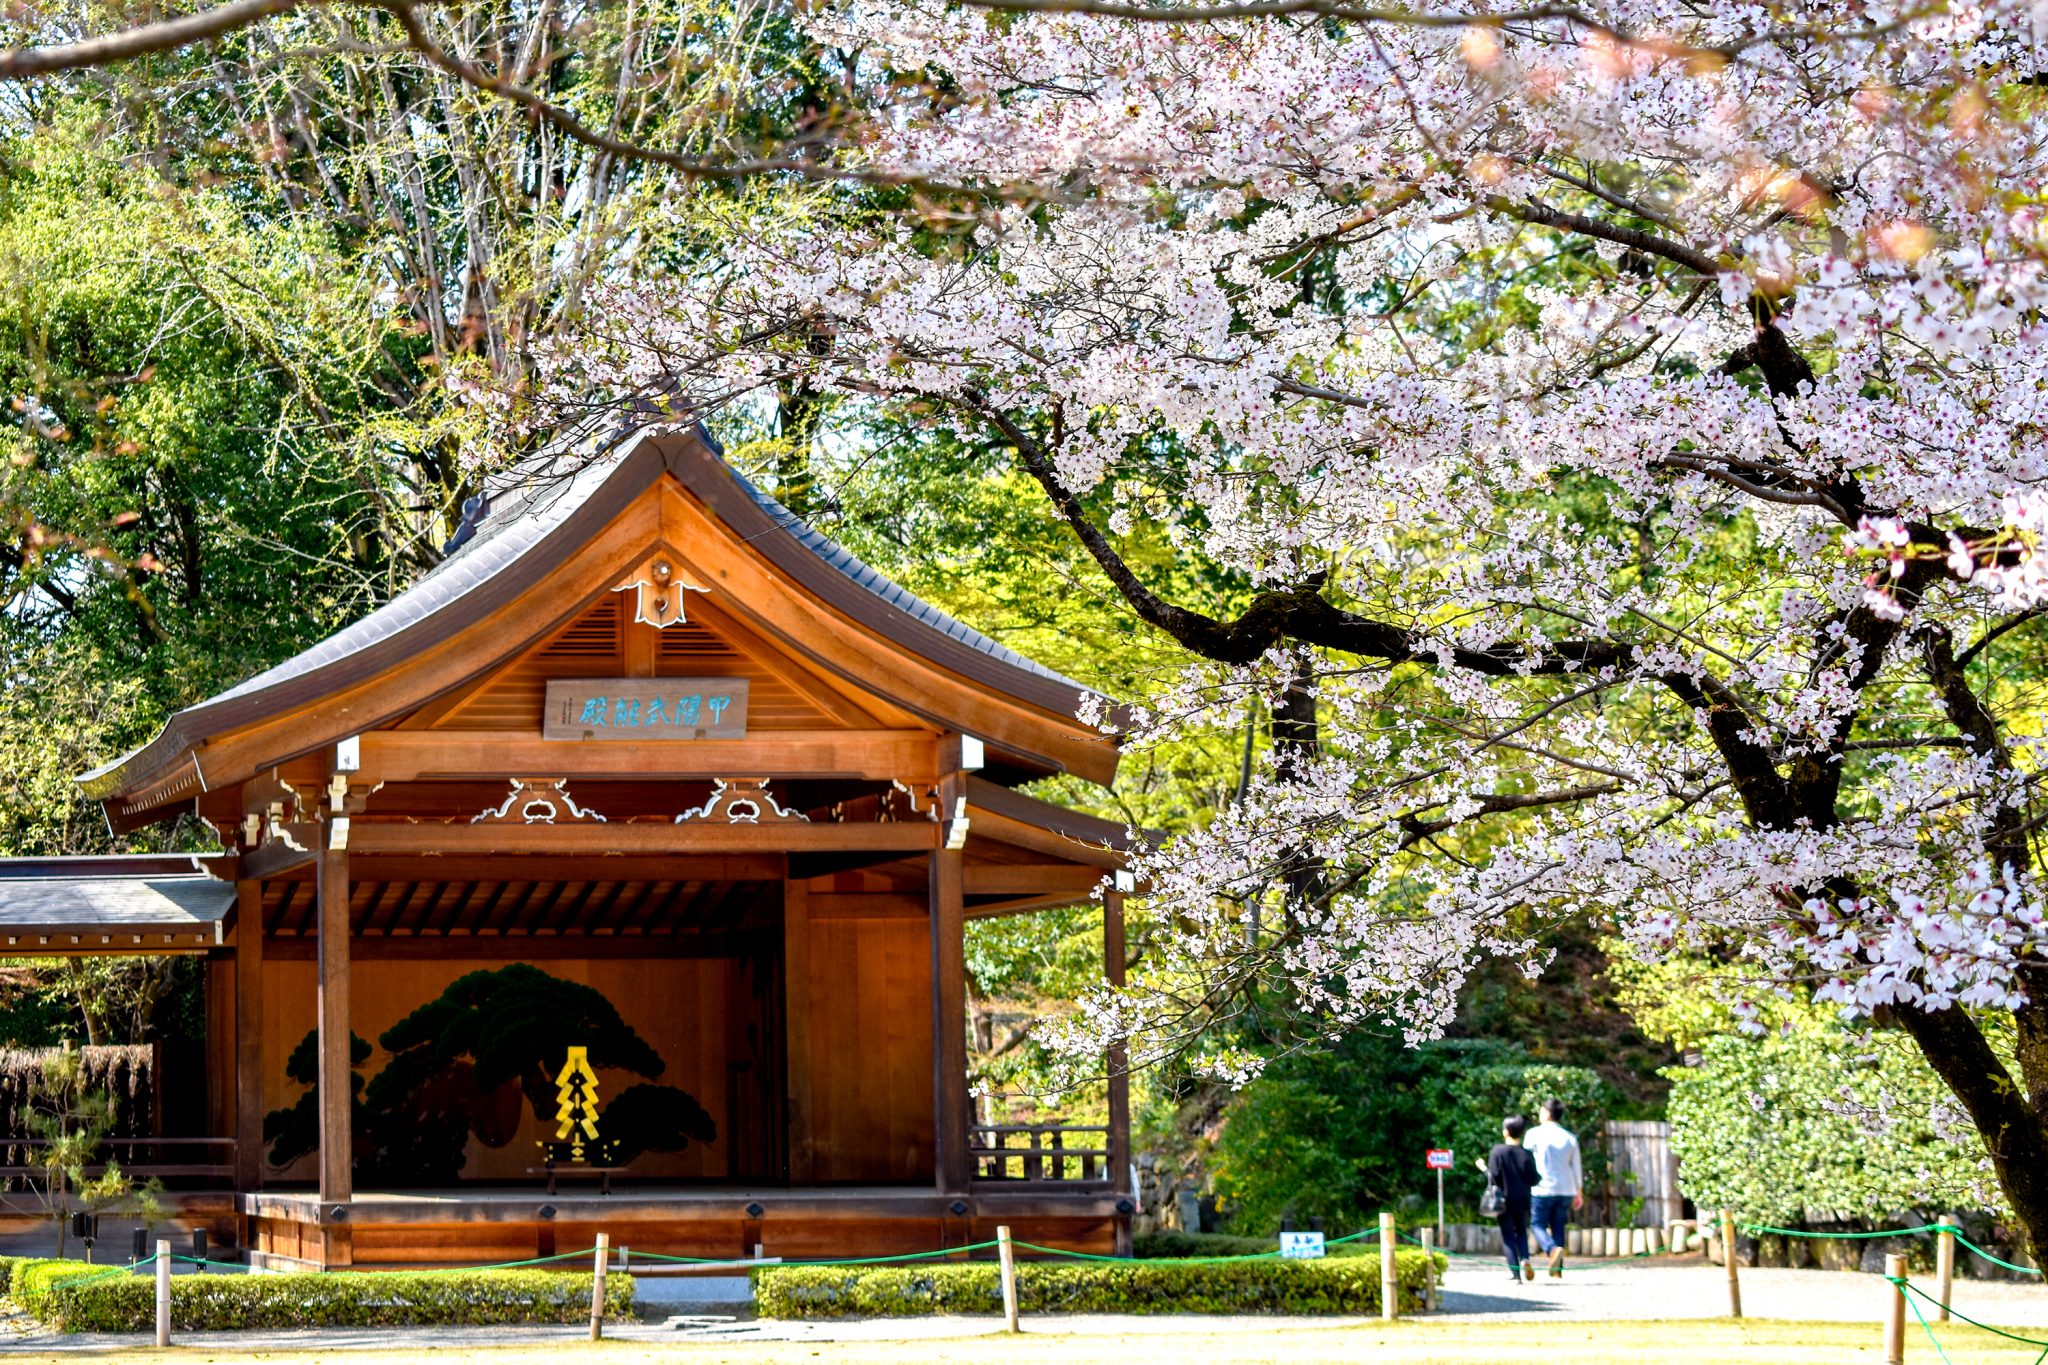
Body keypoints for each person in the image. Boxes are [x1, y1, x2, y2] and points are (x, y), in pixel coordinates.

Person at [1525, 1098, 1584, 1279]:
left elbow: (1525, 1161)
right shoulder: (1569, 1137)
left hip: (1541, 1187)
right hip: (1566, 1188)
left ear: (1547, 1113)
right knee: (1559, 1225)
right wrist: (1579, 1192)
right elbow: (1577, 1167)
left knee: (1537, 1224)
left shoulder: (1533, 1134)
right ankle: (1557, 1270)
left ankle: (1551, 1250)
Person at [1476, 1113, 1538, 1284]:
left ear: (1506, 1132)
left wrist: (1483, 1168)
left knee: (1508, 1236)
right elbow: (1534, 1179)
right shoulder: (1526, 1154)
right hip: (1523, 1199)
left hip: (1503, 1201)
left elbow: (1494, 1177)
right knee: (1521, 1233)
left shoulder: (1498, 1151)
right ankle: (1525, 1258)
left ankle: (1516, 1273)